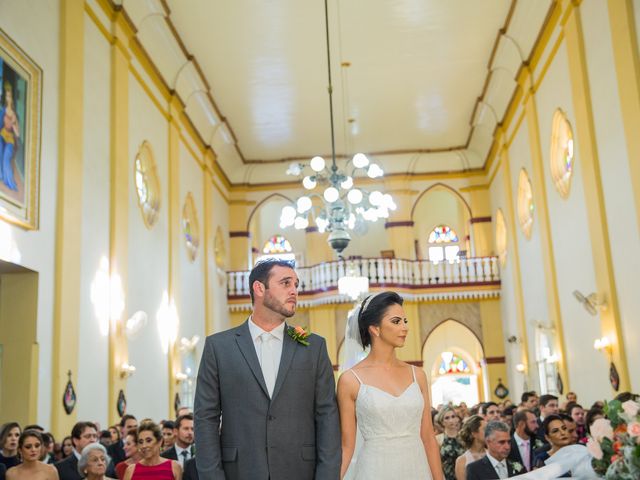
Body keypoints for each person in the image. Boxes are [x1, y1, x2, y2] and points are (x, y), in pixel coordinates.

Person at [194, 259, 341, 479]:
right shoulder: (219, 347)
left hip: (300, 471)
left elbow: (327, 416)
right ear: (259, 288)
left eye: (296, 285)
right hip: (240, 471)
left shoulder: (314, 347)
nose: (294, 291)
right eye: (285, 283)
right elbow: (206, 418)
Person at [337, 291, 444, 479]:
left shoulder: (417, 375)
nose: (405, 327)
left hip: (416, 468)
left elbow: (428, 437)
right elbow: (347, 446)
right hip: (374, 470)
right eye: (396, 321)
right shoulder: (350, 380)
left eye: (405, 321)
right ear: (375, 329)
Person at [0, 81, 20, 191]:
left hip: (10, 140)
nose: (9, 98)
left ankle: (10, 182)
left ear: (12, 98)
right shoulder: (3, 110)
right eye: (7, 96)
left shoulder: (14, 114)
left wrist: (13, 123)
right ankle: (1, 176)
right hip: (1, 136)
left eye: (10, 96)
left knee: (6, 159)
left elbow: (18, 134)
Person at [435, 407, 464, 480]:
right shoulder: (438, 439)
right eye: (447, 418)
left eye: (453, 416)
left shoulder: (464, 438)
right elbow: (436, 463)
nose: (451, 420)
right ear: (442, 422)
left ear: (457, 419)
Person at [454, 415, 486, 480]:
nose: (489, 432)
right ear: (474, 433)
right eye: (485, 429)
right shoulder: (462, 461)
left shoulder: (494, 454)